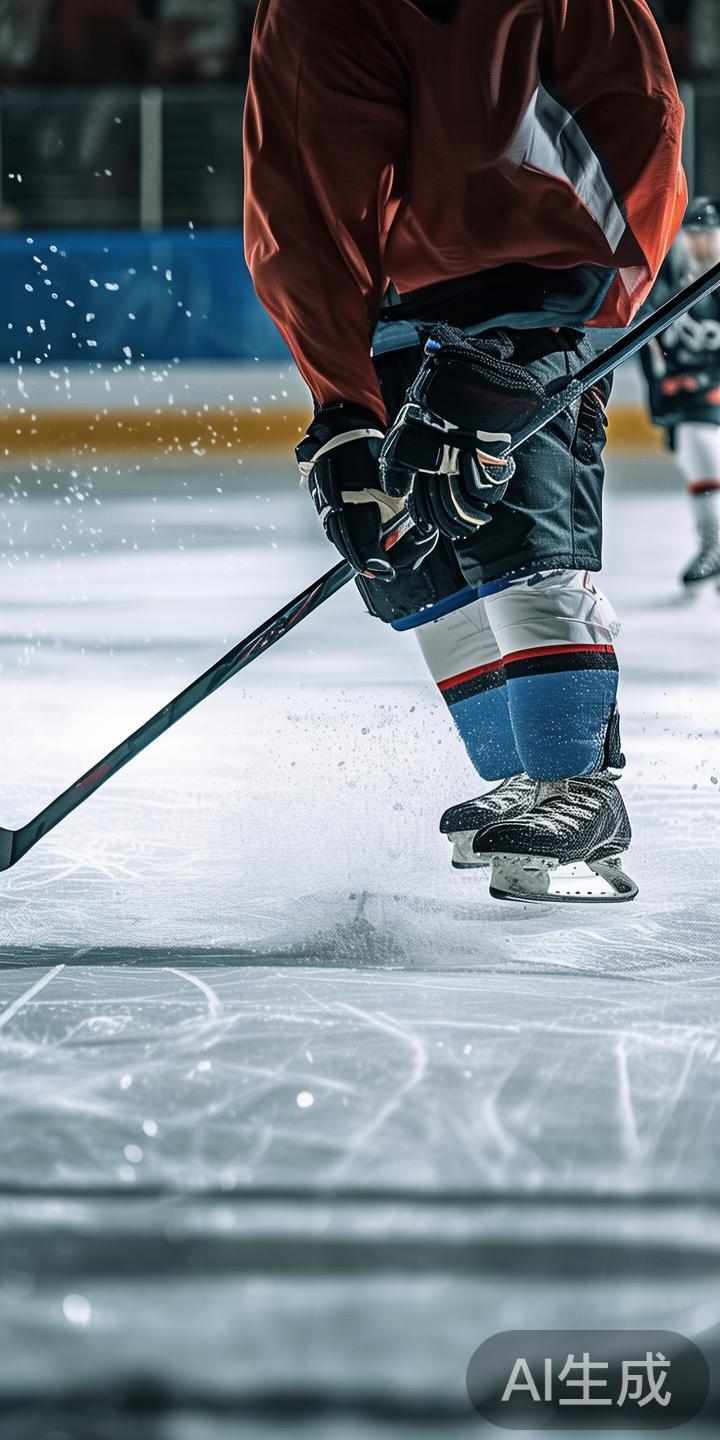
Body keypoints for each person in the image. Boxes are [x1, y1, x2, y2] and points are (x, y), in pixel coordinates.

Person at [243, 0, 686, 903]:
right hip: (393, 309)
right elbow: (297, 201)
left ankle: (577, 782)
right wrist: (343, 411)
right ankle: (525, 771)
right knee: (408, 543)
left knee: (518, 517)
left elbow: (639, 116)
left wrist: (583, 304)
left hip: (538, 285)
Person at [639, 197, 720, 588]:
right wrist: (663, 394)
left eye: (709, 235)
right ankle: (712, 544)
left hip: (709, 392)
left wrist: (707, 381)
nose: (701, 244)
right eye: (694, 235)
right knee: (697, 451)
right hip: (691, 403)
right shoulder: (668, 288)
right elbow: (648, 347)